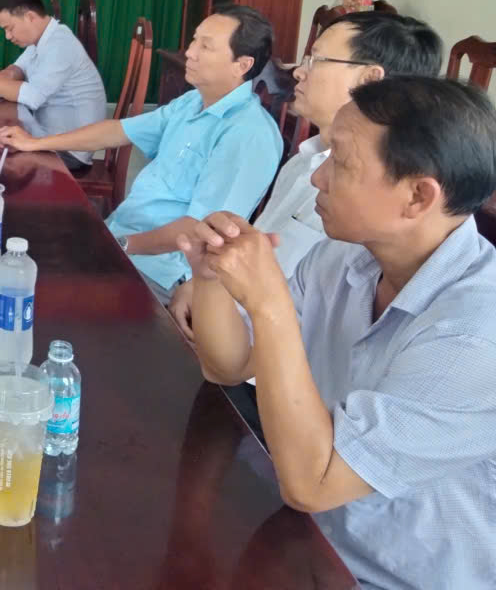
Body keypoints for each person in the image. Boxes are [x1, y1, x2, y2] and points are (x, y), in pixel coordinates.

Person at [182, 77, 496, 590]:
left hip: (394, 577)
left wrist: (268, 302)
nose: (318, 177)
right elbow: (228, 366)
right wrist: (211, 275)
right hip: (314, 543)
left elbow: (314, 484)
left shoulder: (477, 337)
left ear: (418, 196)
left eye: (342, 164)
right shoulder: (345, 257)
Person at [168, 10, 443, 339]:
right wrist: (202, 287)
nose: (299, 71)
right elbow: (253, 254)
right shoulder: (303, 161)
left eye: (317, 60)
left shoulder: (372, 199)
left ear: (369, 80)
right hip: (221, 326)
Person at [0, 4, 283, 302]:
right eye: (194, 40)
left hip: (159, 273)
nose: (190, 52)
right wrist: (37, 142)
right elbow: (118, 131)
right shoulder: (192, 103)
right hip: (121, 237)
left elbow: (200, 230)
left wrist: (118, 244)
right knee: (17, 241)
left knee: (32, 289)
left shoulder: (249, 134)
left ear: (242, 65)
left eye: (206, 46)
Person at [0, 0, 106, 173]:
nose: (8, 36)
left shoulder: (60, 44)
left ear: (30, 17)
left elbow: (33, 97)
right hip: (45, 135)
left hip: (69, 152)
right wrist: (0, 79)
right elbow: (17, 69)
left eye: (10, 28)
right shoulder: (42, 39)